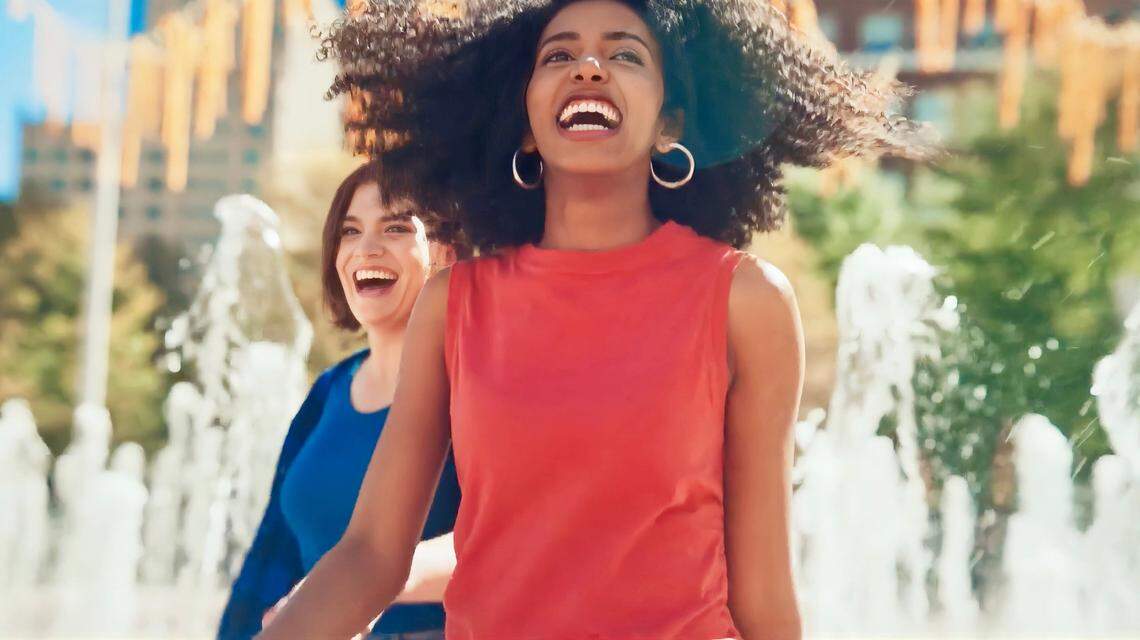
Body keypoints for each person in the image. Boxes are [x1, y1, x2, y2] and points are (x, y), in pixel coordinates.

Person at [262, 1, 933, 638]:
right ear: (522, 118)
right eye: (558, 56)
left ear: (670, 122)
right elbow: (373, 554)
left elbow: (761, 597)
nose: (589, 68)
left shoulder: (744, 301)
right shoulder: (453, 305)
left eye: (626, 56)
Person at [218, 164, 463, 640]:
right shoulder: (329, 391)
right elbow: (273, 557)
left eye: (395, 228)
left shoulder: (478, 388)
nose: (366, 249)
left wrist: (358, 586)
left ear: (447, 250)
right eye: (350, 232)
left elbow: (514, 540)